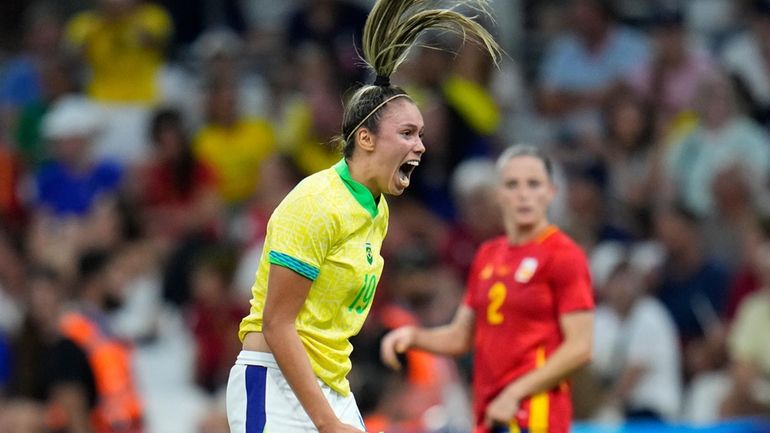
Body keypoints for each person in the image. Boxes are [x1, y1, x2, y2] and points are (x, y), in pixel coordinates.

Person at [225, 1, 500, 433]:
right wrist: (328, 422)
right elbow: (278, 325)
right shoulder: (315, 202)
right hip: (274, 382)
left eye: (421, 135)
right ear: (366, 139)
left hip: (330, 384)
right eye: (407, 134)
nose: (420, 147)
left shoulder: (377, 210)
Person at [381, 145, 594, 433]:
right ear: (499, 195)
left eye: (533, 184)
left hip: (536, 413)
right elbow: (461, 336)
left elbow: (580, 347)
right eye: (512, 184)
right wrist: (414, 337)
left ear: (550, 192)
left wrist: (515, 393)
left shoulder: (562, 255)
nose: (523, 194)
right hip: (489, 410)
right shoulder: (487, 256)